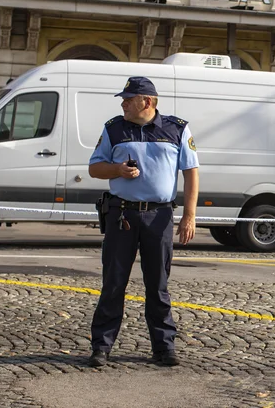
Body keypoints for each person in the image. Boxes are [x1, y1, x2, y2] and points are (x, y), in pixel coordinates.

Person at [87, 76, 200, 367]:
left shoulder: (177, 128)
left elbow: (191, 172)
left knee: (158, 284)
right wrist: (117, 170)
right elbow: (94, 168)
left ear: (146, 102)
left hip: (159, 216)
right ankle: (101, 346)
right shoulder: (114, 128)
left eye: (128, 99)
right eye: (123, 99)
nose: (123, 103)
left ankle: (164, 348)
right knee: (113, 282)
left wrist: (189, 215)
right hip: (121, 214)